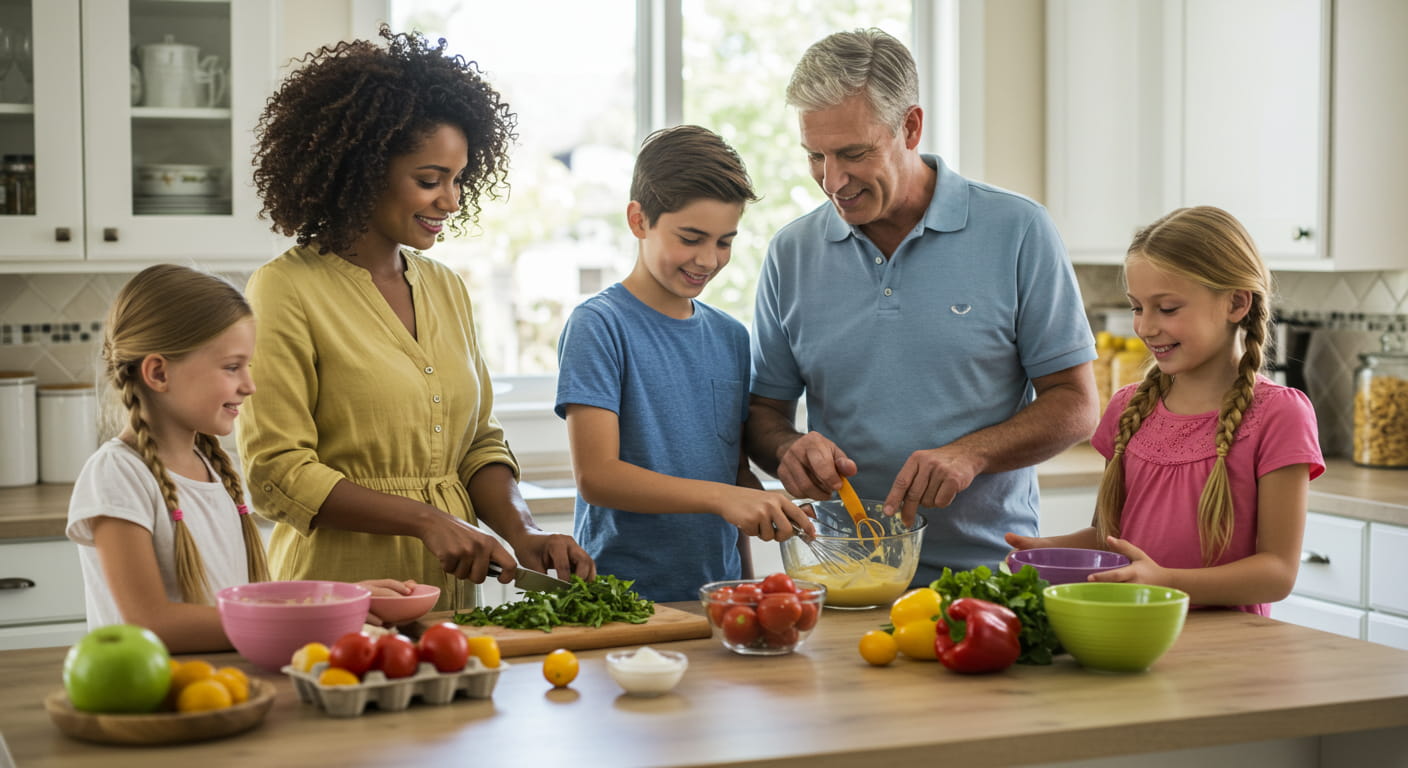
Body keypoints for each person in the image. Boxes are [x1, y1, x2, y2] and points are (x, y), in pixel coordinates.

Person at [239, 27, 593, 611]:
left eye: (457, 180)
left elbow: (477, 442)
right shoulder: (285, 289)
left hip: (452, 601)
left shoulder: (445, 288)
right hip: (342, 599)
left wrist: (522, 531)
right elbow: (277, 472)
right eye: (429, 180)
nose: (451, 201)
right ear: (362, 168)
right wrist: (427, 520)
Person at [746, 28, 1100, 585]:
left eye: (854, 153)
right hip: (847, 578)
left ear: (910, 126)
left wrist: (971, 454)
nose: (832, 181)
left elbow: (1077, 404)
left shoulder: (1018, 230)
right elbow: (764, 416)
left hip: (986, 578)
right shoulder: (791, 254)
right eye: (815, 156)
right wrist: (788, 449)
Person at [66, 265, 412, 653]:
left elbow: (244, 605)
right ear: (159, 372)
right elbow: (151, 624)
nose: (249, 385)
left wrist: (340, 600)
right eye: (232, 367)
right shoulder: (117, 475)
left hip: (218, 690)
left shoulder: (212, 469)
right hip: (153, 701)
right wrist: (313, 619)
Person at [1006, 206, 1324, 615]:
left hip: (1231, 650)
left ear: (1236, 303)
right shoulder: (1128, 408)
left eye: (1167, 308)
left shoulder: (1279, 415)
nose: (1145, 326)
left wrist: (1167, 582)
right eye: (1138, 307)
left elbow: (1277, 573)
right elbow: (1114, 537)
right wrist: (1051, 549)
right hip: (1130, 631)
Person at [555, 125, 815, 602]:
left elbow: (732, 473)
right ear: (638, 220)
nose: (708, 259)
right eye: (691, 237)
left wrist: (749, 583)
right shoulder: (599, 325)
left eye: (724, 241)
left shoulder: (731, 337)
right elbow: (597, 477)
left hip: (720, 597)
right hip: (624, 600)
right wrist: (724, 497)